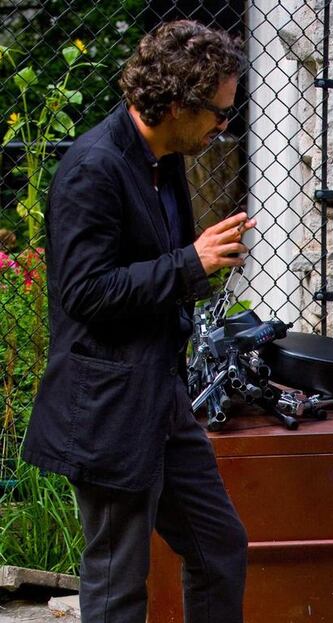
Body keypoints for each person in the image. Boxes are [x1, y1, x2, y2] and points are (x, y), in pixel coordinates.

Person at [23, 20, 253, 623]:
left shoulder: (164, 156)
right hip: (106, 407)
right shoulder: (92, 169)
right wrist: (190, 263)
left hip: (160, 397)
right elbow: (84, 291)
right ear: (177, 103)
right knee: (117, 586)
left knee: (220, 546)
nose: (223, 126)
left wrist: (188, 264)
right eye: (218, 113)